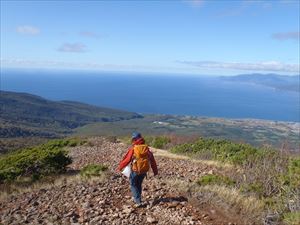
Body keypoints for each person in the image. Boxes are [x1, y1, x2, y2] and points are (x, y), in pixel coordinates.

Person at [118, 132, 158, 206]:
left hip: (135, 170)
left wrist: (120, 167)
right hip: (144, 171)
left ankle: (138, 201)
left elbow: (127, 159)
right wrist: (155, 171)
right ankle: (138, 199)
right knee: (139, 184)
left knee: (133, 184)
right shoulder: (147, 149)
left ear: (134, 139)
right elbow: (152, 161)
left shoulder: (134, 148)